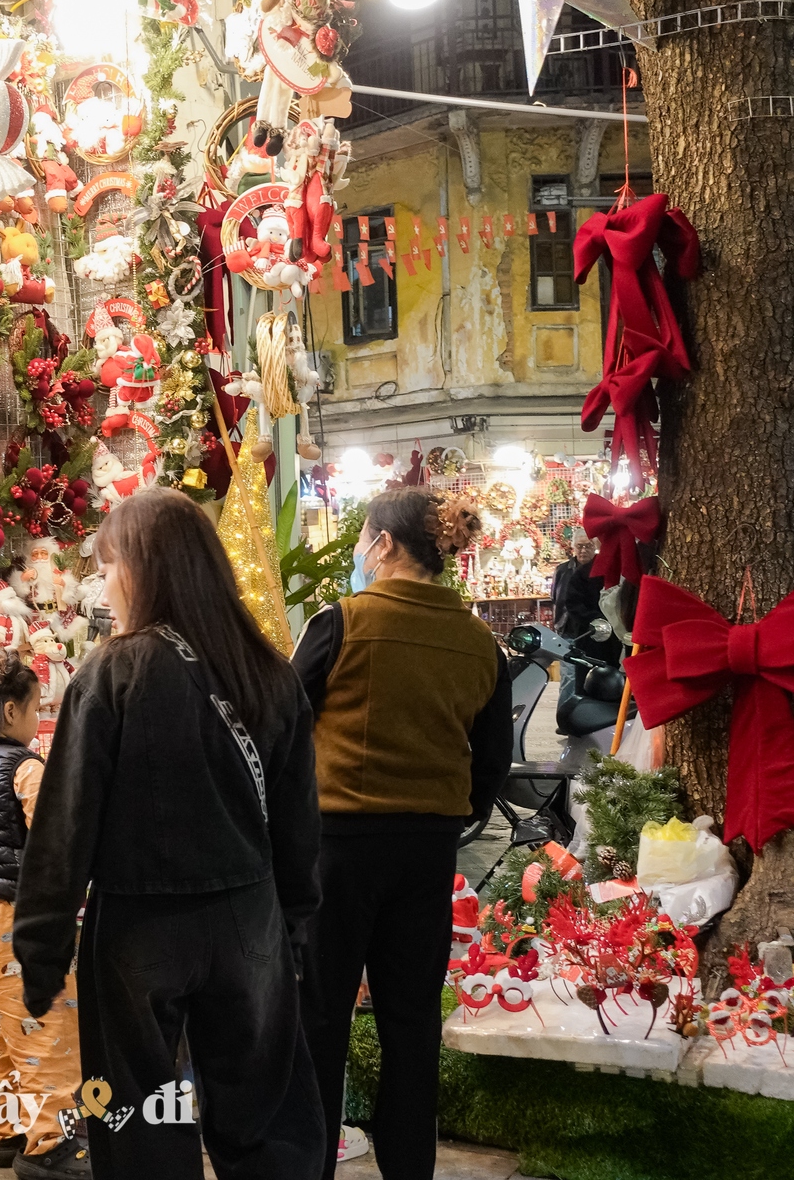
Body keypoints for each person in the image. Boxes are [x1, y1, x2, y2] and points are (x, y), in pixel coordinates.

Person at [15, 488, 325, 1180]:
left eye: (108, 565)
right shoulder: (269, 672)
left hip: (138, 931)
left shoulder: (114, 670)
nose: (103, 583)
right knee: (266, 1122)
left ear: (144, 569)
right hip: (250, 923)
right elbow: (301, 825)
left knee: (141, 1124)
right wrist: (295, 925)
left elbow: (66, 827)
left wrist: (41, 950)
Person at [291, 487, 513, 1180]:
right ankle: (410, 1167)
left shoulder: (343, 622)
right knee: (412, 1020)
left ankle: (312, 1163)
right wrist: (448, 813)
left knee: (322, 1019)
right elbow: (492, 763)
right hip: (429, 849)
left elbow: (285, 725)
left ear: (384, 545)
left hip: (339, 850)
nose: (359, 552)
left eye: (363, 540)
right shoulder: (481, 642)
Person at [0, 650, 88, 1178]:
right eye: (34, 708)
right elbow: (53, 840)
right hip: (13, 913)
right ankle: (49, 1146)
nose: (36, 718)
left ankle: (2, 1134)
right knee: (43, 1024)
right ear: (11, 712)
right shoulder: (25, 767)